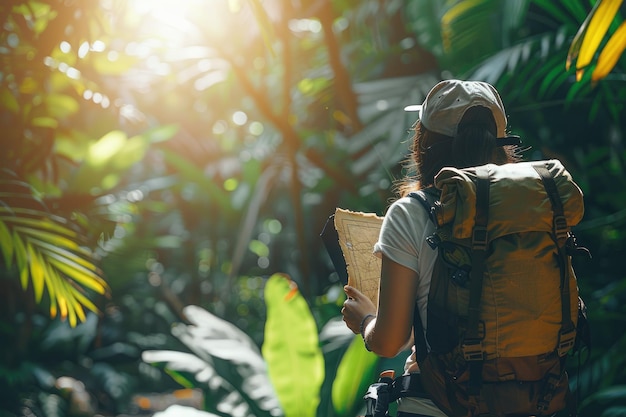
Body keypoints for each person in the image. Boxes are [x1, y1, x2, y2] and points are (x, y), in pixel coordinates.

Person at [341, 79, 521, 417]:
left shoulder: (412, 213)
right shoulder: (530, 210)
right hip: (523, 400)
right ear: (500, 146)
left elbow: (391, 341)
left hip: (435, 404)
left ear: (424, 146)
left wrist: (364, 318)